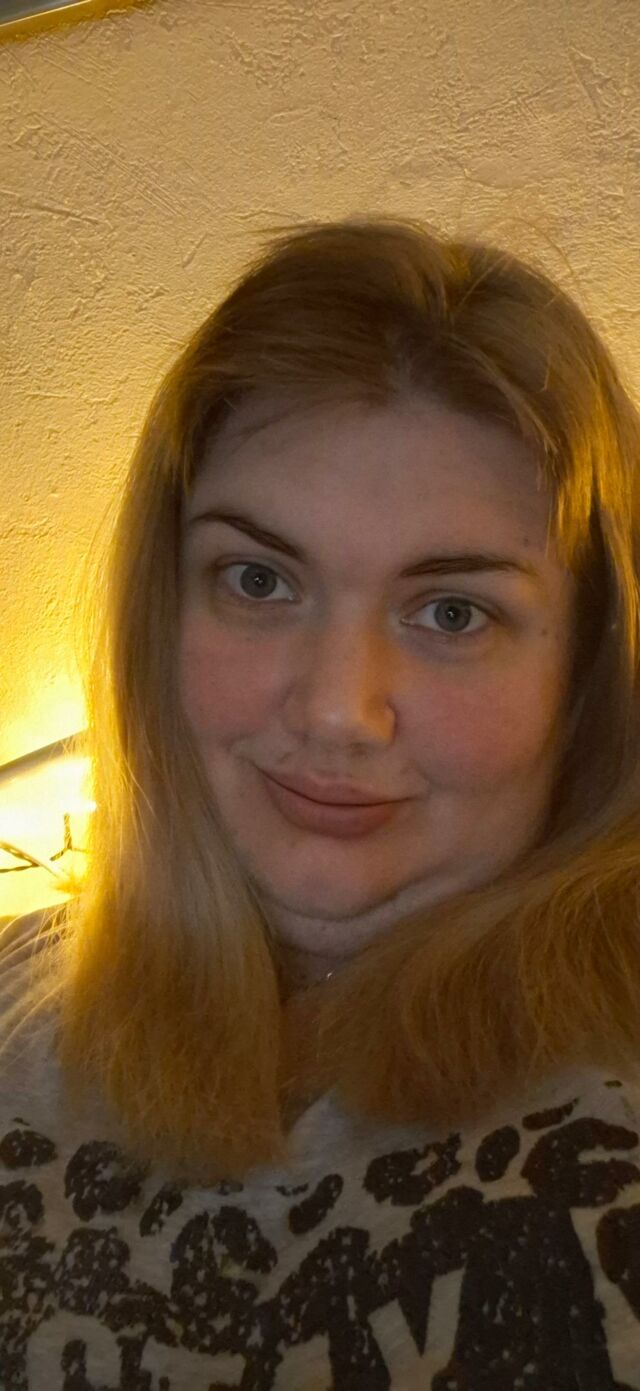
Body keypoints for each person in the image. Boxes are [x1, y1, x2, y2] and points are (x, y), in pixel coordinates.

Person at [2, 214, 640, 1388]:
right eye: (258, 579)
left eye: (451, 612)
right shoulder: (15, 1003)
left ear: (587, 670)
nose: (340, 710)